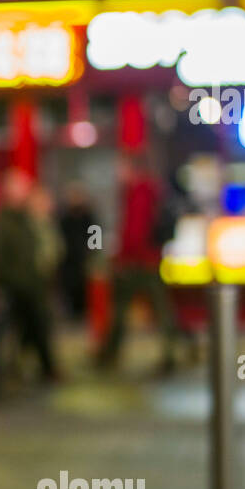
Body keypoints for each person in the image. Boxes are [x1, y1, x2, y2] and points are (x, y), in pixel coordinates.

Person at [97, 154, 180, 373]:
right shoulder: (152, 190)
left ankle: (110, 353)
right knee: (160, 309)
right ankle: (171, 352)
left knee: (121, 309)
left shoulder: (138, 193)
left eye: (120, 168)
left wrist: (121, 258)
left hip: (138, 262)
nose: (117, 173)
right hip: (150, 260)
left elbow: (134, 232)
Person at [0, 169, 60, 401]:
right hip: (13, 288)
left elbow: (47, 245)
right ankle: (3, 378)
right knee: (10, 333)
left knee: (38, 327)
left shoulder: (27, 218)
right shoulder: (3, 221)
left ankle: (42, 368)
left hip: (31, 287)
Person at [57, 182, 98, 321]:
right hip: (68, 263)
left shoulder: (89, 218)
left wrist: (92, 256)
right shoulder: (64, 219)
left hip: (84, 262)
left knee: (85, 292)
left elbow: (95, 240)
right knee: (69, 291)